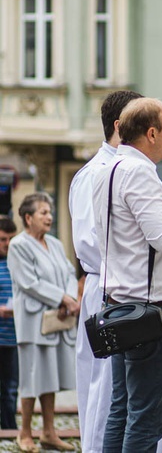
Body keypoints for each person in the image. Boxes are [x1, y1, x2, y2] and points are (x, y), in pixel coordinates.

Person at [92, 98, 162, 452]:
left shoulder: (108, 169)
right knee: (146, 420)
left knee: (122, 409)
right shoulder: (140, 172)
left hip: (119, 304)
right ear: (151, 133)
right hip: (149, 312)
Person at [69, 89, 143, 453]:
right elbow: (90, 241)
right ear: (120, 125)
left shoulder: (126, 169)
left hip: (123, 286)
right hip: (107, 289)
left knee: (126, 392)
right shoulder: (94, 175)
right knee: (105, 391)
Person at [7, 193, 80, 452]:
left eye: (50, 212)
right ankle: (24, 433)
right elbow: (30, 282)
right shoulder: (18, 245)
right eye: (43, 212)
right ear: (28, 217)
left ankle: (49, 432)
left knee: (49, 378)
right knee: (30, 378)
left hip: (56, 321)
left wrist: (70, 298)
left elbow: (70, 273)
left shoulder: (56, 244)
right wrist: (63, 299)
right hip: (33, 323)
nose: (49, 217)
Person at [0, 216, 19, 431]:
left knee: (11, 387)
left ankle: (10, 428)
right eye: (3, 239)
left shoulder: (17, 263)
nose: (7, 244)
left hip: (14, 338)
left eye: (11, 238)